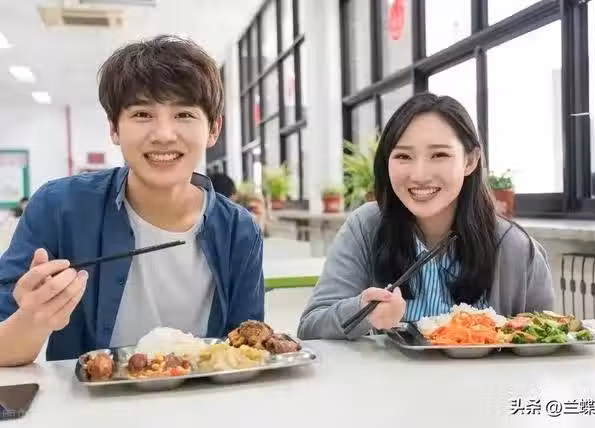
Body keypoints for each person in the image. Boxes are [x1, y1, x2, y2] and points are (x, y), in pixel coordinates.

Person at [0, 35, 264, 366]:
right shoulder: (58, 207)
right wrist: (33, 320)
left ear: (213, 129)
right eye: (142, 114)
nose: (164, 134)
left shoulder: (240, 231)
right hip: (88, 399)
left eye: (184, 114)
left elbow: (248, 350)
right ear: (114, 127)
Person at [297, 92, 554, 340]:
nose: (419, 175)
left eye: (439, 155)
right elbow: (311, 327)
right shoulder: (365, 226)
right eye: (403, 156)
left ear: (470, 160)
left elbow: (547, 342)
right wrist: (362, 311)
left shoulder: (516, 248)